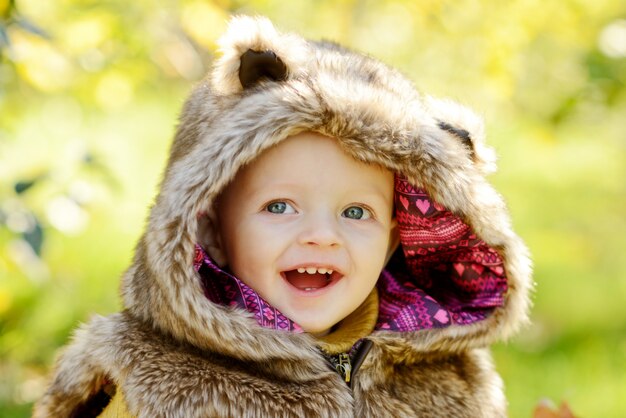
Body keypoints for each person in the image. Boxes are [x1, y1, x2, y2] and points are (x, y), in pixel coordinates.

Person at [34, 15, 532, 417]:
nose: (321, 236)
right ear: (210, 228)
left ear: (395, 239)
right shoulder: (156, 385)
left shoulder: (446, 374)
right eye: (279, 207)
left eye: (355, 212)